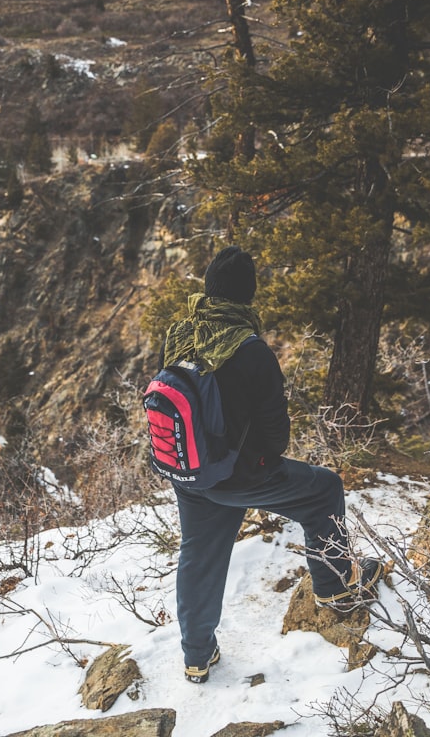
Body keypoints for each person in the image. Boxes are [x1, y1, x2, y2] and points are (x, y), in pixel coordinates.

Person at [162, 245, 382, 684]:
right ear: (248, 296)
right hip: (237, 474)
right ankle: (336, 589)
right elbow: (275, 433)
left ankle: (196, 656)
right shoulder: (250, 349)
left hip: (188, 471)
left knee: (199, 557)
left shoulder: (181, 333)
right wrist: (260, 465)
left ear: (209, 289)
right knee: (323, 490)